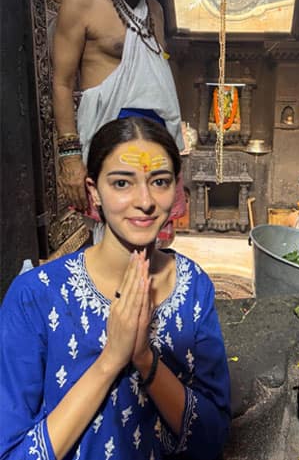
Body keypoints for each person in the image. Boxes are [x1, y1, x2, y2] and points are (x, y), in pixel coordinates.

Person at [0, 117, 231, 460]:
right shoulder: (36, 296)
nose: (145, 201)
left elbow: (212, 438)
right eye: (122, 183)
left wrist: (144, 358)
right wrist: (112, 358)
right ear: (94, 191)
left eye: (160, 181)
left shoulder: (193, 286)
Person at [52, 0, 185, 244]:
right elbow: (61, 83)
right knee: (111, 241)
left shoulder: (154, 9)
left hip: (155, 146)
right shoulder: (80, 1)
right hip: (108, 142)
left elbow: (157, 79)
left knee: (151, 237)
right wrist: (69, 156)